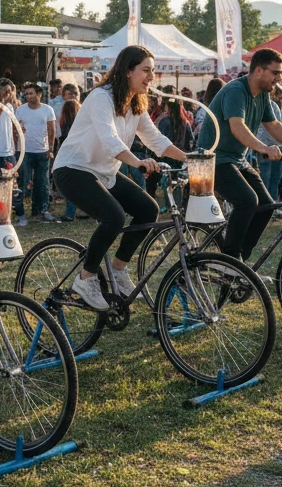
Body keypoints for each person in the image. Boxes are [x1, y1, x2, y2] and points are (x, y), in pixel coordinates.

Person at [53, 46, 189, 311]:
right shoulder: (100, 97)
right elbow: (109, 139)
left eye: (153, 70)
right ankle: (86, 279)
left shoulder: (136, 103)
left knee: (148, 208)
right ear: (128, 71)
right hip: (73, 169)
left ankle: (118, 270)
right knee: (113, 216)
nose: (152, 76)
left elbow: (155, 139)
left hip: (105, 172)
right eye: (146, 70)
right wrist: (137, 162)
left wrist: (190, 159)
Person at [196, 48, 282, 262]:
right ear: (259, 71)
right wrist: (264, 148)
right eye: (275, 73)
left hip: (236, 160)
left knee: (266, 205)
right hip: (212, 160)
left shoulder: (262, 94)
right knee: (247, 201)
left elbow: (273, 125)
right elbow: (238, 127)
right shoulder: (236, 91)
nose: (279, 78)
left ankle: (241, 260)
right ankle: (229, 260)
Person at [15, 82, 56, 226]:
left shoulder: (48, 110)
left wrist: (50, 149)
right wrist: (16, 149)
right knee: (24, 181)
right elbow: (15, 130)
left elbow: (52, 131)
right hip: (24, 151)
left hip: (42, 150)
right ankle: (21, 212)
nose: (28, 96)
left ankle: (42, 210)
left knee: (42, 183)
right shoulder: (20, 110)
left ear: (39, 95)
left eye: (31, 93)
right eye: (26, 94)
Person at [51, 99, 80, 221]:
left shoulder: (63, 125)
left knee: (70, 186)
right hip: (80, 156)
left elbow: (58, 138)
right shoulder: (81, 124)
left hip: (67, 156)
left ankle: (70, 213)